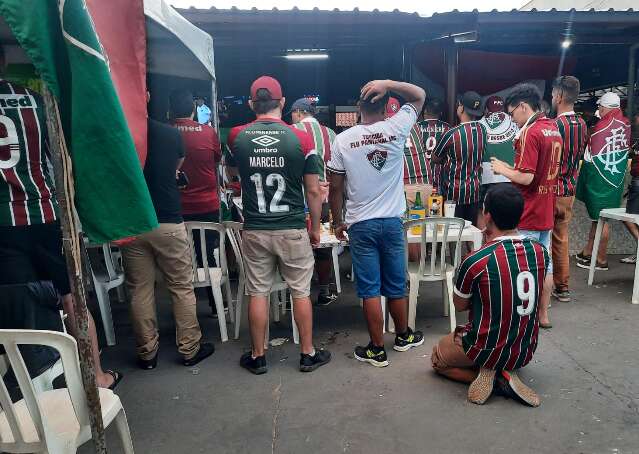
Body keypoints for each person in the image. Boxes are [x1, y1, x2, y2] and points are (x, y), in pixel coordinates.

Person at [0, 74, 120, 388]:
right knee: (73, 298)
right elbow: (62, 159)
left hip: (4, 225)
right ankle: (96, 376)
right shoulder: (38, 102)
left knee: (19, 309)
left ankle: (31, 389)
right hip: (48, 214)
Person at [227, 76, 331, 374]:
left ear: (251, 104)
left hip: (256, 228)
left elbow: (234, 172)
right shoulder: (302, 139)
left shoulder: (236, 136)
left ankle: (258, 356)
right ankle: (308, 353)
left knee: (257, 291)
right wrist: (314, 227)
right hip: (292, 226)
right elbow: (313, 190)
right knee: (300, 291)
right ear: (283, 103)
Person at [328, 79, 426, 368]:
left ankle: (376, 349)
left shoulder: (343, 140)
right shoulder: (396, 128)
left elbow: (335, 188)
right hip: (392, 222)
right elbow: (419, 96)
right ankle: (404, 336)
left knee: (370, 289)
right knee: (396, 285)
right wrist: (389, 83)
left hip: (360, 225)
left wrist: (337, 222)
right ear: (386, 108)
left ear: (359, 108)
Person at [431, 184, 545, 407]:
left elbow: (460, 305)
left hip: (484, 346)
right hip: (523, 349)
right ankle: (504, 371)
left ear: (487, 215)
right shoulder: (540, 252)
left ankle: (495, 378)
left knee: (438, 358)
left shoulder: (477, 259)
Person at [121, 116, 215, 370]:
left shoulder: (119, 132)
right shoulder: (170, 134)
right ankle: (189, 349)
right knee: (181, 287)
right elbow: (177, 167)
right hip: (169, 221)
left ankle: (147, 354)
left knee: (139, 290)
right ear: (147, 96)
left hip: (133, 222)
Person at [491, 83, 562, 329]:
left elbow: (527, 177)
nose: (512, 120)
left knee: (525, 266)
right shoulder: (552, 128)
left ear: (523, 107)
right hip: (547, 206)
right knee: (546, 264)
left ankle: (523, 317)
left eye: (512, 114)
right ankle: (543, 315)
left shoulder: (531, 133)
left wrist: (502, 169)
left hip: (530, 210)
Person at [290, 97, 339, 306]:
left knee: (296, 244)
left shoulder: (291, 132)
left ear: (299, 112)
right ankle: (324, 290)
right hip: (324, 196)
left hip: (295, 196)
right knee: (322, 244)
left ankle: (296, 293)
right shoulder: (330, 134)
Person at [575, 92, 631, 271]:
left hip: (602, 182)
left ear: (606, 106)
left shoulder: (601, 127)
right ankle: (587, 251)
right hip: (615, 180)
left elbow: (592, 158)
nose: (598, 109)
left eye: (600, 106)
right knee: (598, 219)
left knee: (603, 219)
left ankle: (601, 259)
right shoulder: (626, 124)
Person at [169, 89, 222, 265]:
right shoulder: (208, 132)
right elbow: (216, 161)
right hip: (207, 205)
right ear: (193, 109)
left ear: (170, 110)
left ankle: (185, 289)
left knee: (179, 257)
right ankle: (212, 290)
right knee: (206, 253)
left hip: (175, 207)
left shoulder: (165, 132)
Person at [550, 76, 588, 303]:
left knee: (546, 238)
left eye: (554, 94)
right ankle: (562, 287)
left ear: (561, 96)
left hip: (553, 189)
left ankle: (547, 284)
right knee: (561, 236)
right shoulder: (582, 124)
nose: (553, 97)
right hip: (570, 189)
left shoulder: (555, 126)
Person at [432, 91, 487, 225]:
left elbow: (435, 158)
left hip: (453, 193)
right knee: (471, 228)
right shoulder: (482, 130)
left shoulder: (452, 134)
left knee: (454, 232)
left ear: (461, 108)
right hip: (474, 191)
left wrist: (448, 158)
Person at [478, 95, 517, 223]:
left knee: (486, 213)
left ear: (486, 110)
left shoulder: (479, 125)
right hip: (510, 176)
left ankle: (485, 242)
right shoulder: (515, 122)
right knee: (507, 215)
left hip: (486, 178)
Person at [418, 98, 451, 192]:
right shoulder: (447, 128)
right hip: (440, 177)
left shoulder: (416, 127)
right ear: (440, 113)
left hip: (421, 175)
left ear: (425, 112)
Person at [621, 112, 639, 264]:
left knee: (626, 215)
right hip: (636, 180)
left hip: (638, 181)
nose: (635, 119)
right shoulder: (636, 139)